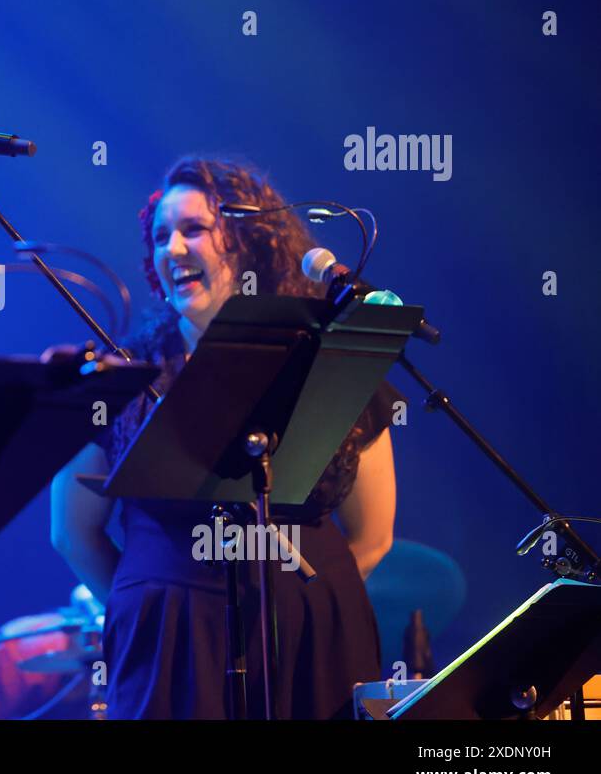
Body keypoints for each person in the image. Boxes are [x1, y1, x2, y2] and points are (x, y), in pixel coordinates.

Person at [50, 156, 400, 719]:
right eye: (161, 236)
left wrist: (295, 605)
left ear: (248, 240)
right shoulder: (124, 374)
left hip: (314, 634)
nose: (173, 249)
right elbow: (72, 533)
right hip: (170, 639)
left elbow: (373, 536)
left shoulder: (329, 358)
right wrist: (155, 598)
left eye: (194, 229)